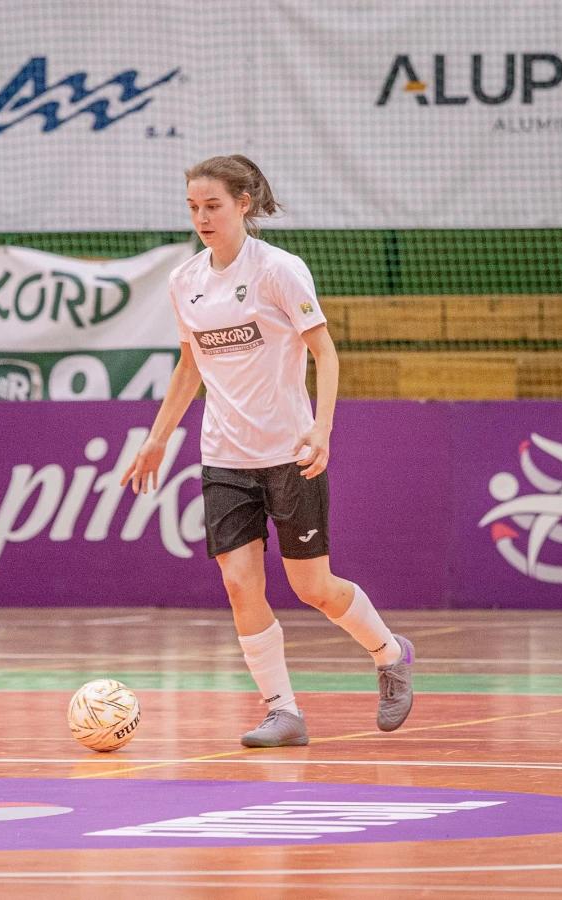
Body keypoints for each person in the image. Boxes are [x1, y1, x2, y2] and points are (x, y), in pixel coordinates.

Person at [121, 155, 414, 748]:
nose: (202, 218)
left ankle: (389, 653)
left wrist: (321, 429)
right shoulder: (184, 281)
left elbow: (325, 353)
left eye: (213, 206)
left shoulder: (279, 270)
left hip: (289, 453)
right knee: (238, 582)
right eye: (193, 207)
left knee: (313, 588)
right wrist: (157, 437)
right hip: (224, 457)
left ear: (243, 204)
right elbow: (190, 366)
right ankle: (283, 711)